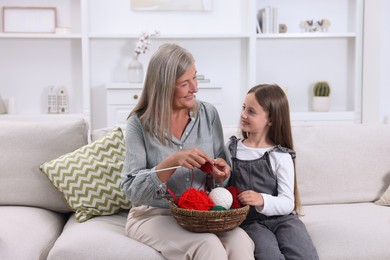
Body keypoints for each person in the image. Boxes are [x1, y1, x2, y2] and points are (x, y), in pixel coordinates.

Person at [121, 43, 255, 260]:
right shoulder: (139, 123)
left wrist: (220, 174)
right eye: (185, 83)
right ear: (164, 87)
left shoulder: (208, 113)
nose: (195, 88)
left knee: (241, 241)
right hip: (153, 215)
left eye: (195, 78)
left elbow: (222, 177)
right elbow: (132, 192)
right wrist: (172, 162)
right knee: (208, 245)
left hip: (201, 214)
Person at [226, 84, 318, 260]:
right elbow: (222, 186)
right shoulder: (232, 149)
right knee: (269, 255)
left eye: (251, 111)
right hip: (250, 222)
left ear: (271, 119)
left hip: (284, 220)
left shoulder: (280, 155)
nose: (243, 114)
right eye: (244, 108)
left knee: (304, 255)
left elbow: (287, 202)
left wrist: (261, 199)